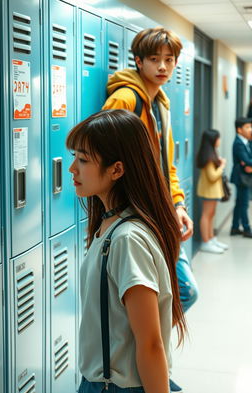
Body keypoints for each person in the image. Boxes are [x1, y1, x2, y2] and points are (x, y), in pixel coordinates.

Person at [103, 27, 198, 392]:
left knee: (176, 294)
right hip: (137, 218)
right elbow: (103, 157)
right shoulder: (126, 100)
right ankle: (143, 366)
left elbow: (166, 164)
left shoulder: (161, 104)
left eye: (169, 60)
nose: (162, 66)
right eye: (154, 59)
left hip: (159, 212)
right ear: (138, 61)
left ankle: (143, 364)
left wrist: (177, 203)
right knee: (182, 291)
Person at [67, 109, 187, 393]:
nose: (72, 168)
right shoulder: (111, 224)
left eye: (83, 160)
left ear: (117, 170)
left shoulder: (126, 239)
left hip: (116, 387)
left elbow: (150, 343)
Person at [196, 129, 228, 253]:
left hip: (212, 191)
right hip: (209, 191)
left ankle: (211, 238)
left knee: (211, 214)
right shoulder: (209, 156)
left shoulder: (211, 153)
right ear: (212, 140)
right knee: (206, 215)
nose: (219, 141)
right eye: (218, 138)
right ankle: (206, 242)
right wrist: (222, 166)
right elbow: (212, 176)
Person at [230, 117, 252, 237]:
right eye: (247, 127)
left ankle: (234, 227)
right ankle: (247, 229)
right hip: (241, 177)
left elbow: (248, 161)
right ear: (239, 130)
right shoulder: (238, 143)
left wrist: (249, 164)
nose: (250, 129)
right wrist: (248, 163)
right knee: (244, 204)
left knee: (239, 203)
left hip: (244, 176)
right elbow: (247, 160)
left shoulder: (246, 141)